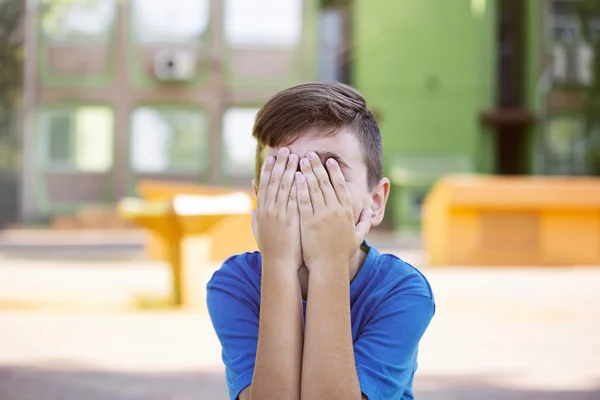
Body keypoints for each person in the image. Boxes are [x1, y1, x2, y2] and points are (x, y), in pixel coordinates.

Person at [207, 82, 435, 400]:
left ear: (376, 202)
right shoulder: (235, 284)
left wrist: (329, 261)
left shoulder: (401, 291)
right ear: (261, 199)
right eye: (285, 172)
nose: (306, 189)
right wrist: (279, 263)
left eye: (327, 173)